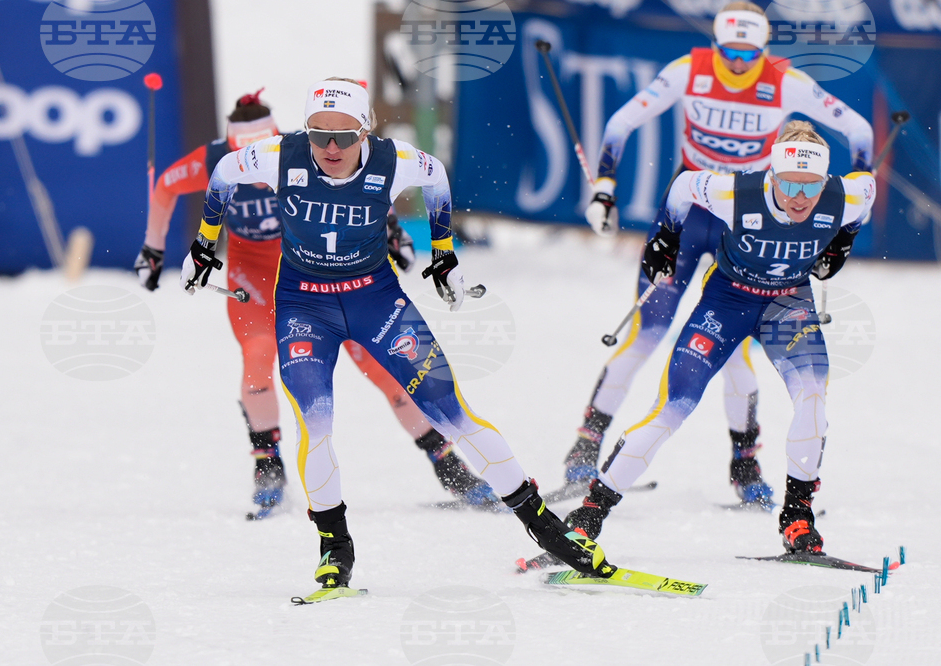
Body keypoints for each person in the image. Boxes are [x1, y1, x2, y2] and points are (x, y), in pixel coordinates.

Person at [180, 78, 619, 589]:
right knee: (316, 426)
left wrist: (443, 251)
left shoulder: (399, 161)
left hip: (377, 302)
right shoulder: (280, 155)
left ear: (366, 130)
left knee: (453, 412)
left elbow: (437, 179)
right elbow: (224, 172)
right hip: (305, 308)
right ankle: (334, 548)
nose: (331, 148)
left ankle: (547, 529)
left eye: (345, 136)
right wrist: (205, 244)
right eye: (319, 135)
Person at [562, 1, 875, 508]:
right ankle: (584, 448)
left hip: (752, 216)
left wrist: (842, 223)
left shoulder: (786, 81)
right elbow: (621, 121)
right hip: (692, 212)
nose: (738, 64)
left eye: (750, 54)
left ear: (765, 49)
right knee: (647, 332)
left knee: (735, 349)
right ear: (716, 45)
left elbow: (859, 131)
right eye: (730, 52)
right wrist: (604, 186)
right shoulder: (690, 70)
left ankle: (744, 463)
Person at [134, 90, 496, 520]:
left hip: (323, 276)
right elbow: (165, 186)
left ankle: (447, 463)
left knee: (382, 368)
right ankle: (267, 465)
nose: (255, 167)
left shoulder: (300, 150)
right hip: (254, 276)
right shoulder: (219, 160)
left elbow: (359, 188)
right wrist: (154, 249)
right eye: (243, 153)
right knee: (257, 359)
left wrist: (392, 230)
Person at [538, 122, 874, 562]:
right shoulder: (736, 192)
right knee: (673, 408)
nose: (799, 197)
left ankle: (798, 520)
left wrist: (843, 240)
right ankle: (587, 517)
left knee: (812, 401)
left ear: (825, 180)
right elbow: (682, 188)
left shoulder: (846, 195)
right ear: (772, 174)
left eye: (810, 186)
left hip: (788, 304)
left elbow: (865, 195)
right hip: (727, 302)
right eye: (789, 183)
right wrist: (666, 236)